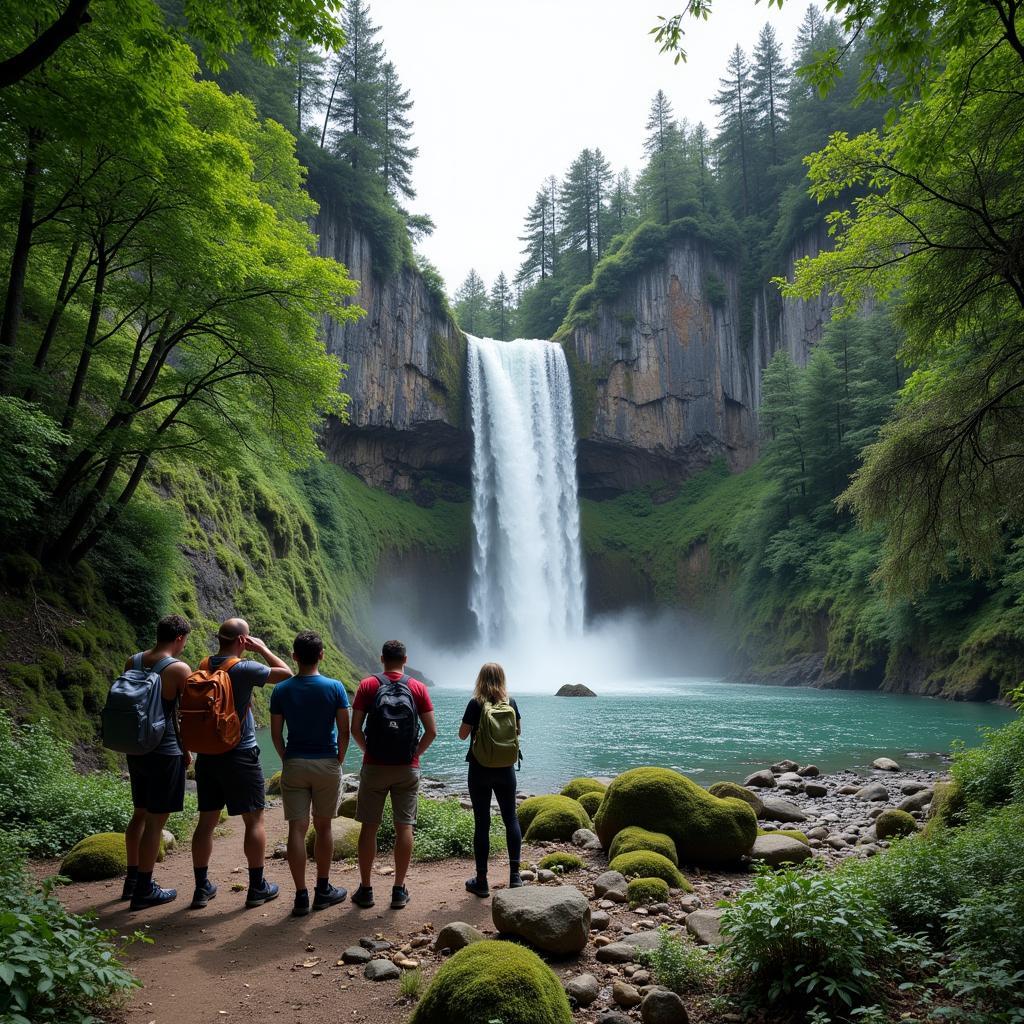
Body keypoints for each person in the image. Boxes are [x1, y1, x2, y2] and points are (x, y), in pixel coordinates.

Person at [189, 618, 292, 910]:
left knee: (206, 823)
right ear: (243, 641)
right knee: (254, 820)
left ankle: (200, 888)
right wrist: (263, 649)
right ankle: (257, 887)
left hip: (207, 755)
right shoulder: (244, 668)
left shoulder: (204, 663)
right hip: (240, 754)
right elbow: (286, 674)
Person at [269, 630, 351, 917]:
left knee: (296, 828)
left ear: (294, 657)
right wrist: (339, 758)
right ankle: (323, 889)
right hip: (327, 762)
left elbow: (276, 734)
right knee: (324, 826)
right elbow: (344, 730)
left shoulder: (281, 690)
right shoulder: (335, 687)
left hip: (295, 762)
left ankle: (301, 896)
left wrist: (286, 757)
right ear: (322, 655)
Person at [350, 640, 437, 910]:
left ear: (381, 658)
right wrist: (415, 754)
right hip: (407, 767)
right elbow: (431, 731)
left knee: (369, 827)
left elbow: (355, 728)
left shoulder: (367, 685)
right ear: (405, 659)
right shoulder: (418, 687)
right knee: (404, 827)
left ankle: (366, 890)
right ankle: (399, 891)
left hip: (374, 766)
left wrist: (368, 751)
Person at [122, 614, 193, 910]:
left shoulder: (133, 661)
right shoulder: (178, 669)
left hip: (136, 748)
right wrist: (187, 750)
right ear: (179, 638)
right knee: (155, 822)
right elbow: (183, 716)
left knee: (139, 813)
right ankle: (145, 889)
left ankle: (132, 880)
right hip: (164, 751)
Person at [458, 663, 523, 897]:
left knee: (482, 822)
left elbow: (462, 734)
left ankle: (482, 881)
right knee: (511, 818)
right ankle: (515, 877)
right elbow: (517, 733)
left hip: (480, 768)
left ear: (480, 679)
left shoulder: (475, 703)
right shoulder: (511, 703)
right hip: (506, 770)